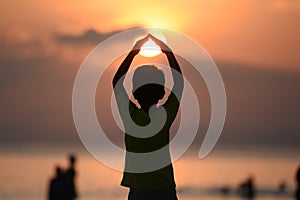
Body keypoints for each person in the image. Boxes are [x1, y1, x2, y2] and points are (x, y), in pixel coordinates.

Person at [112, 34, 184, 200]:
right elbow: (179, 83)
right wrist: (168, 52)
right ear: (161, 94)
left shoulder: (130, 117)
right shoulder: (163, 117)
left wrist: (133, 52)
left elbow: (117, 82)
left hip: (139, 192)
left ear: (134, 94)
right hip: (165, 190)